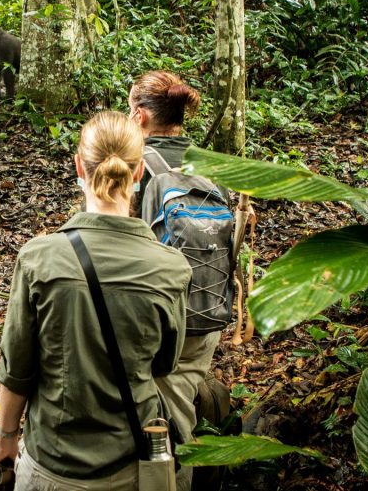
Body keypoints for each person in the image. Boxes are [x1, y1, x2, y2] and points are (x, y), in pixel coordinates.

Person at [0, 111, 192, 491]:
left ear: (79, 165)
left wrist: (6, 440)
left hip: (53, 464)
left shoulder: (39, 258)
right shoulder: (171, 268)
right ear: (139, 172)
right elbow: (165, 363)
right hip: (133, 464)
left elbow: (17, 368)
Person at [129, 70, 221, 458]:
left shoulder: (135, 167)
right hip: (206, 310)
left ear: (140, 116)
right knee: (180, 408)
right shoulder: (213, 166)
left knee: (156, 429)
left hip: (154, 320)